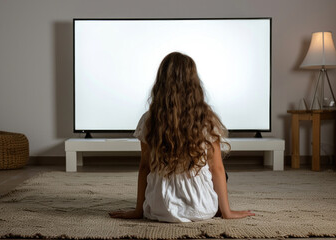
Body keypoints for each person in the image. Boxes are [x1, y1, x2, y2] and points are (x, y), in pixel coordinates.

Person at [109, 52, 255, 222]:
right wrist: (227, 212)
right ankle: (209, 205)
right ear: (194, 83)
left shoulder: (149, 120)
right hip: (202, 208)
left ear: (161, 83)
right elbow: (217, 168)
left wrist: (138, 210)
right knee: (220, 172)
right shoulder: (206, 119)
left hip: (159, 209)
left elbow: (144, 167)